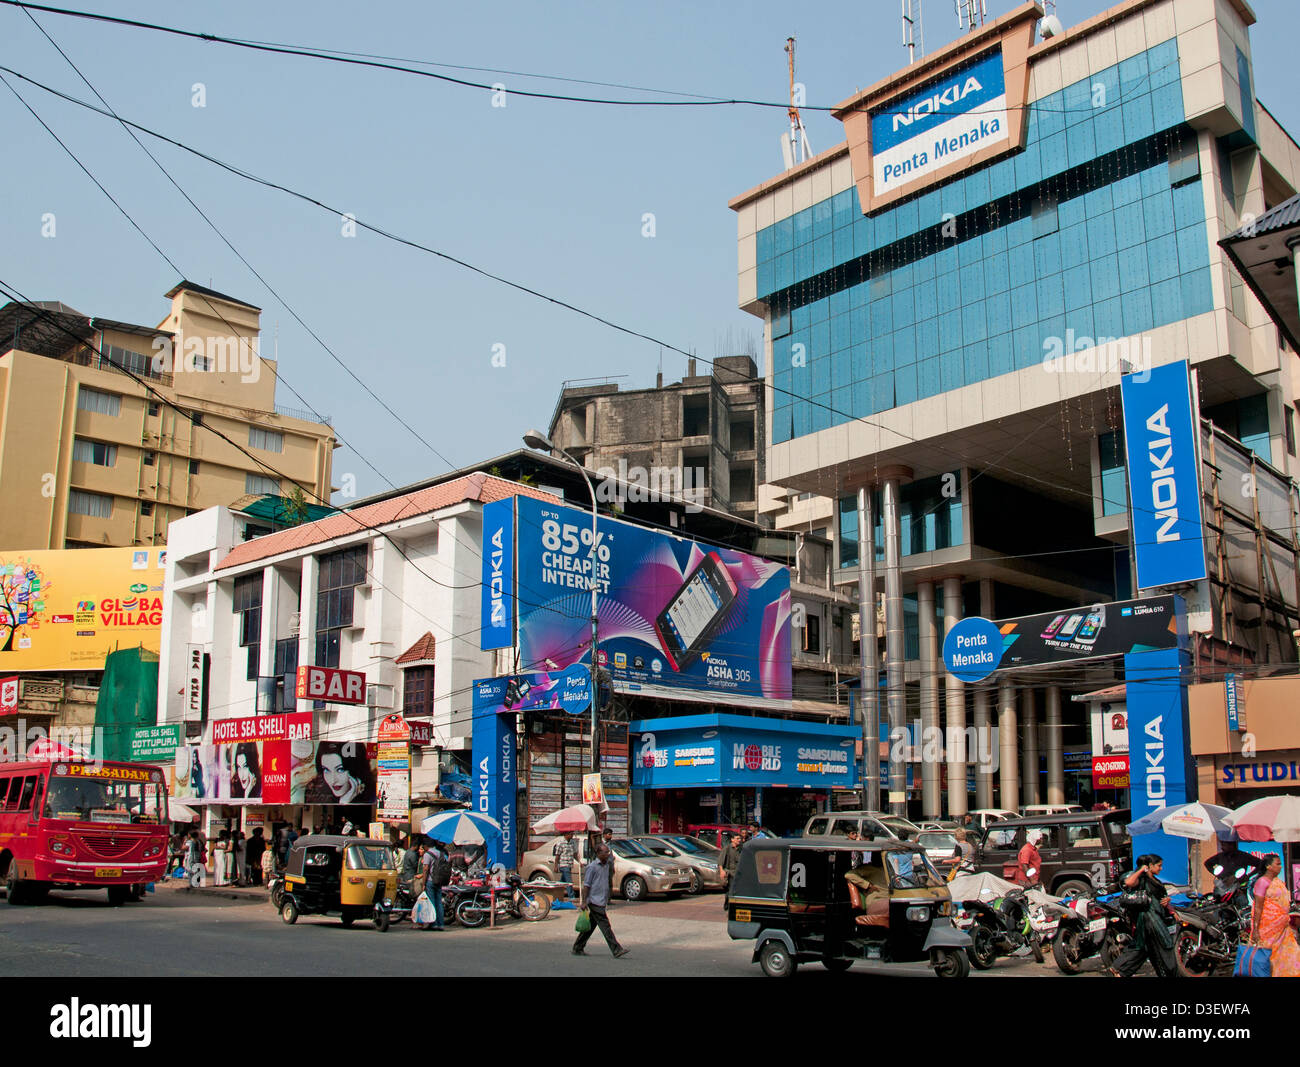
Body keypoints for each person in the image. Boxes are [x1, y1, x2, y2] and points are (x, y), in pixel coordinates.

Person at [1108, 854, 1179, 978]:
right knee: (1165, 946)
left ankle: (1120, 970)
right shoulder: (1142, 879)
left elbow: (1161, 899)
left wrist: (1170, 908)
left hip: (1155, 918)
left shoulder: (1156, 881)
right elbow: (1129, 882)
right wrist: (1141, 870)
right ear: (1150, 866)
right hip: (1149, 920)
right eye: (1159, 866)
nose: (1161, 868)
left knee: (1145, 949)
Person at [1247, 854, 1300, 977]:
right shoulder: (1261, 882)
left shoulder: (1278, 882)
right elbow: (1258, 907)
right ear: (1268, 866)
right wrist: (1255, 930)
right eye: (1278, 864)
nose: (1280, 867)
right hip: (1267, 930)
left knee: (1290, 956)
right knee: (1267, 958)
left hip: (1283, 929)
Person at [572, 845, 628, 958]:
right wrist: (583, 901)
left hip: (601, 899)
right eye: (605, 852)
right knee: (605, 926)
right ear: (598, 853)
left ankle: (578, 947)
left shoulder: (607, 865)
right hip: (594, 901)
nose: (608, 854)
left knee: (591, 926)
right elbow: (586, 885)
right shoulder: (592, 867)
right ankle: (616, 949)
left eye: (608, 852)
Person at [303, 742, 373, 805]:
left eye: (340, 770)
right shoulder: (314, 793)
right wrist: (343, 802)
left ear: (356, 767)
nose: (333, 781)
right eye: (326, 770)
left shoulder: (373, 796)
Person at [424, 839, 451, 930]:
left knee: (432, 902)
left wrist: (424, 882)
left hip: (430, 880)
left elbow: (425, 869)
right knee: (439, 902)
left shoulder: (428, 854)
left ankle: (434, 923)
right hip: (440, 881)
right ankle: (441, 924)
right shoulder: (443, 854)